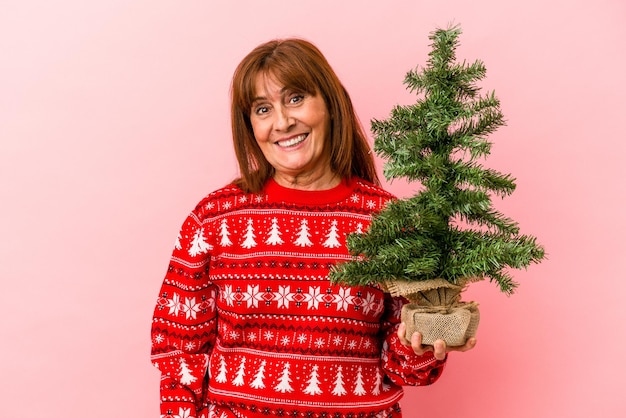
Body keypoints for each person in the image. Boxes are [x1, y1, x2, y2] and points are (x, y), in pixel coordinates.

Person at [150, 38, 476, 418]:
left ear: (331, 105)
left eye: (295, 98)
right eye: (262, 108)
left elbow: (403, 368)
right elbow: (179, 352)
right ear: (249, 126)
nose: (282, 122)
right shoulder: (215, 219)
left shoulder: (389, 221)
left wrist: (420, 349)